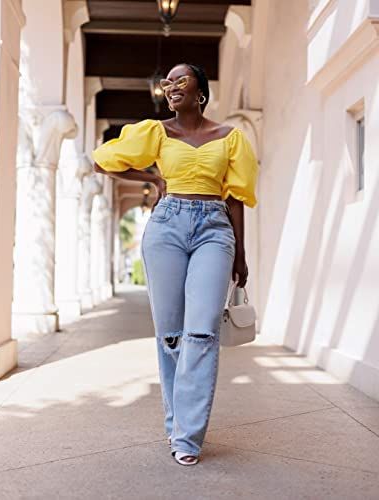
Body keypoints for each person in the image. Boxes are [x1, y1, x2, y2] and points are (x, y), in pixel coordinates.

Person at [92, 62, 259, 466]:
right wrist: (153, 177)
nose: (171, 87)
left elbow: (235, 198)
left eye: (180, 80)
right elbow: (102, 161)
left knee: (201, 332)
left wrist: (240, 253)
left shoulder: (230, 138)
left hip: (214, 230)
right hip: (166, 226)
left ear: (201, 90)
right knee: (170, 335)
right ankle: (176, 422)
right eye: (167, 83)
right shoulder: (156, 132)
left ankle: (187, 436)